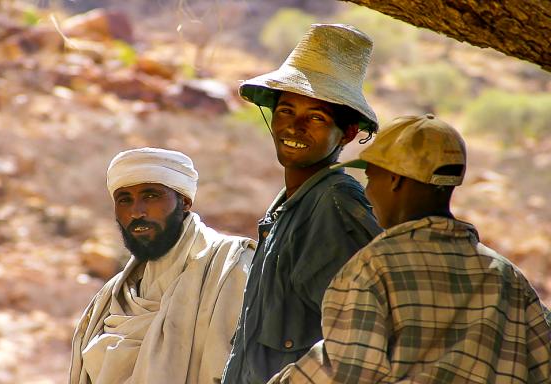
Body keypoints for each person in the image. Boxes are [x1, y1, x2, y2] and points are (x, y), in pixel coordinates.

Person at [269, 114, 551, 383]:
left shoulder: (372, 269)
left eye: (371, 177)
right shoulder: (509, 278)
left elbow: (346, 373)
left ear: (395, 180)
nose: (367, 191)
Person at [222, 24, 383, 384]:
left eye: (316, 117)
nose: (293, 127)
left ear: (347, 133)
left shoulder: (333, 205)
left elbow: (355, 342)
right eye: (285, 111)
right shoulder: (288, 207)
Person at [69, 147, 256, 384]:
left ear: (185, 202)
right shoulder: (110, 299)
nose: (136, 212)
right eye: (125, 200)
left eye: (150, 196)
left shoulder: (232, 266)